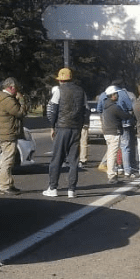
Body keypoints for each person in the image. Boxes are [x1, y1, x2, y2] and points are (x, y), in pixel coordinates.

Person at [44, 68, 87, 198]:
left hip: (62, 128)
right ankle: (72, 190)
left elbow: (52, 110)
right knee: (73, 160)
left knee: (57, 158)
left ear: (61, 80)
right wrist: (81, 126)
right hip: (76, 129)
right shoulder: (81, 91)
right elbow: (86, 110)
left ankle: (53, 187)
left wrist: (52, 126)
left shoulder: (59, 91)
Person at [0, 77, 26, 195]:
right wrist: (21, 100)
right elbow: (20, 113)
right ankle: (5, 185)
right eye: (16, 89)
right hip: (8, 133)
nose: (17, 91)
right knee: (8, 159)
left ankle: (8, 183)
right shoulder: (7, 100)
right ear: (11, 87)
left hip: (3, 132)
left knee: (7, 158)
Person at [100, 86, 132, 183]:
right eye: (116, 94)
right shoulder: (114, 107)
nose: (117, 95)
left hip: (107, 132)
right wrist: (131, 113)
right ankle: (112, 175)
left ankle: (112, 174)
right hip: (114, 132)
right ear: (112, 95)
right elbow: (125, 116)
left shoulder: (106, 105)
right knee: (112, 155)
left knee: (110, 153)